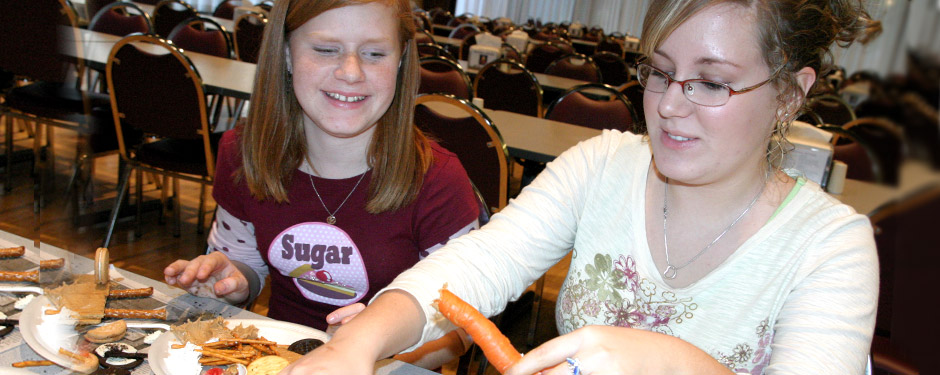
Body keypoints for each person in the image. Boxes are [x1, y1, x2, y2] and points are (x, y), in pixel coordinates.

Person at [281, 0, 884, 374]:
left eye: (712, 83)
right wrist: (362, 342)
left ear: (789, 93)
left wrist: (668, 362)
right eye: (661, 73)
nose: (670, 106)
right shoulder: (603, 165)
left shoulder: (831, 246)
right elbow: (477, 265)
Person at [162, 0, 479, 369]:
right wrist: (233, 280)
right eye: (326, 50)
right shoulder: (244, 153)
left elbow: (459, 333)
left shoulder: (439, 180)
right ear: (286, 53)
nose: (350, 72)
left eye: (375, 53)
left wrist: (371, 351)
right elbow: (246, 263)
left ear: (402, 59)